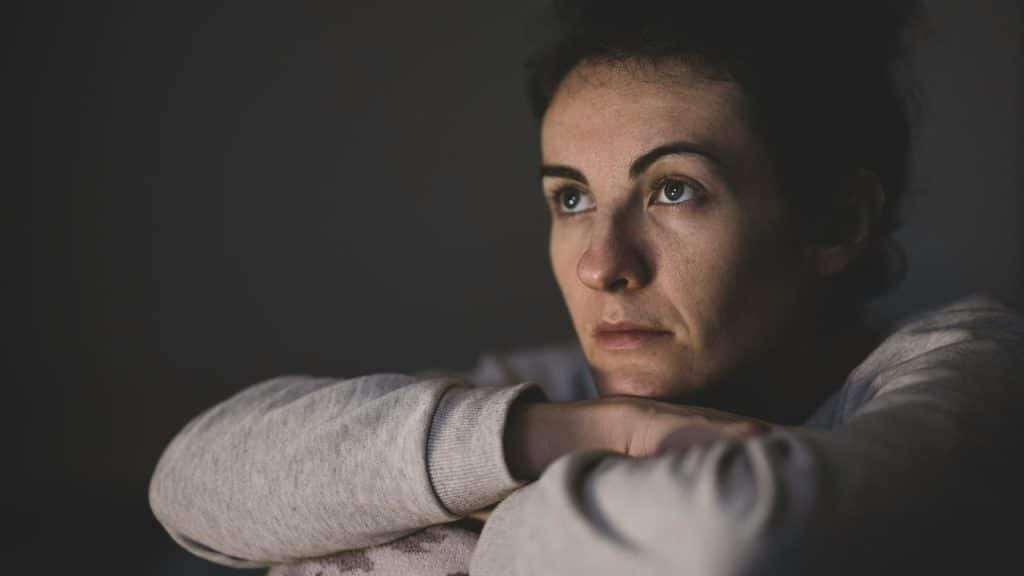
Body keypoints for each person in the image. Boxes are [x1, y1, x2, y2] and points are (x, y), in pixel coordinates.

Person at [149, 1, 1024, 574]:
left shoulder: (973, 376)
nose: (602, 263)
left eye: (673, 189)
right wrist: (576, 433)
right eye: (570, 198)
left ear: (834, 224)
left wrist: (445, 527)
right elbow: (191, 484)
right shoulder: (557, 394)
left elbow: (734, 536)